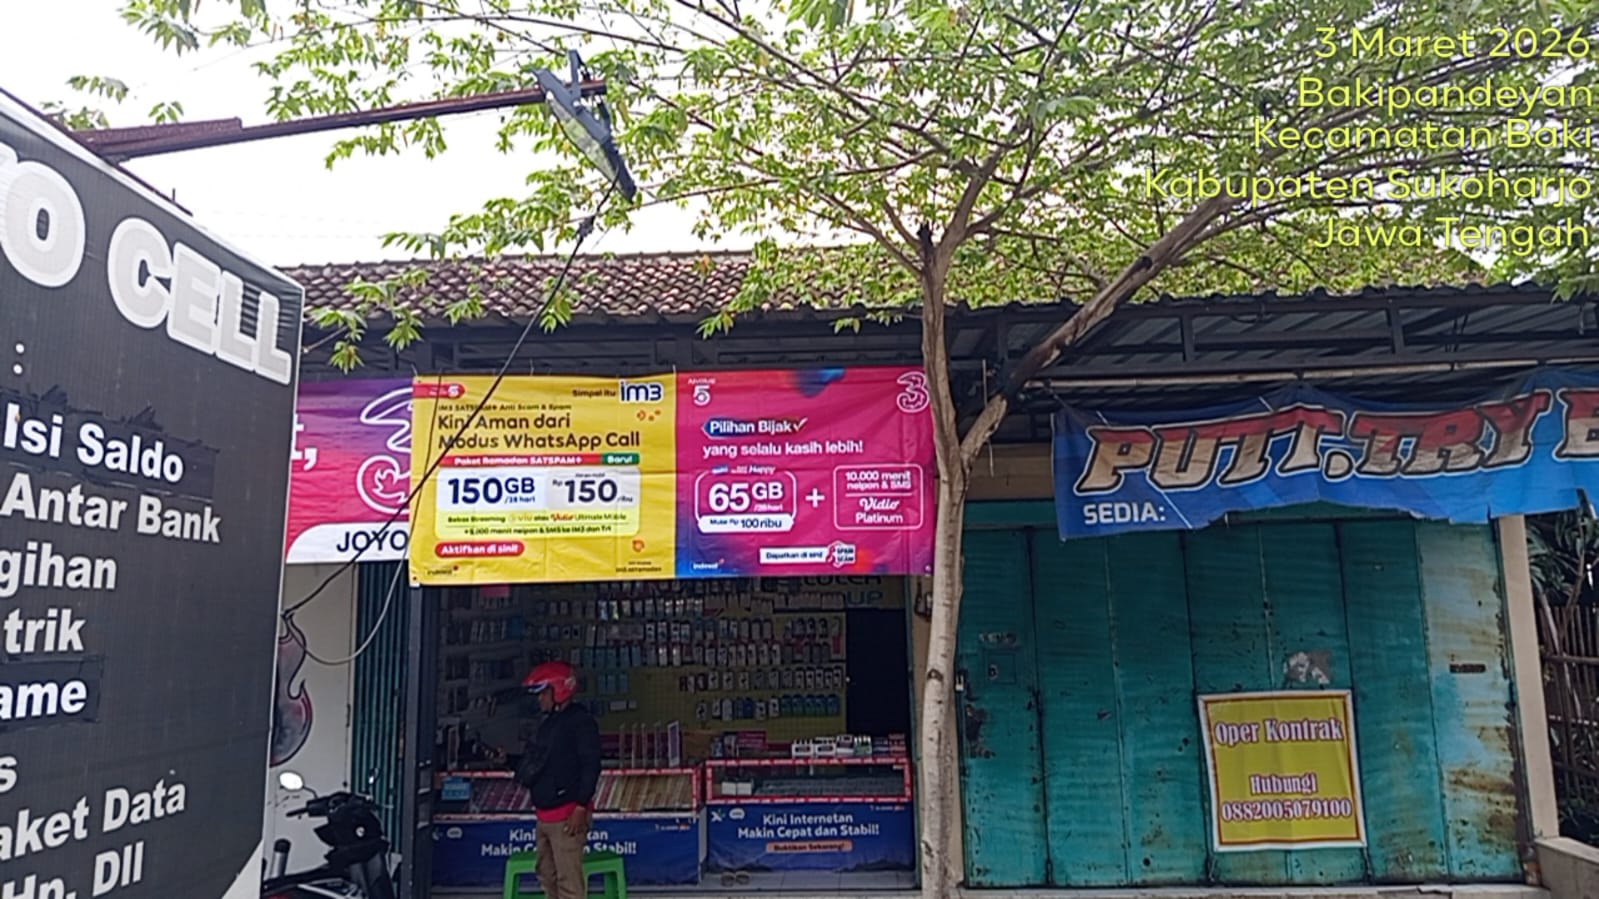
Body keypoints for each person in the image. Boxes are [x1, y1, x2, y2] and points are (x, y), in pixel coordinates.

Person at [515, 660, 601, 899]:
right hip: (544, 815)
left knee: (569, 884)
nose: (539, 699)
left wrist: (581, 806)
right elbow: (538, 761)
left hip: (567, 816)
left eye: (543, 693)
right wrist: (508, 760)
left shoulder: (580, 722)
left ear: (559, 690)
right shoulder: (548, 723)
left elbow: (591, 765)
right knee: (547, 877)